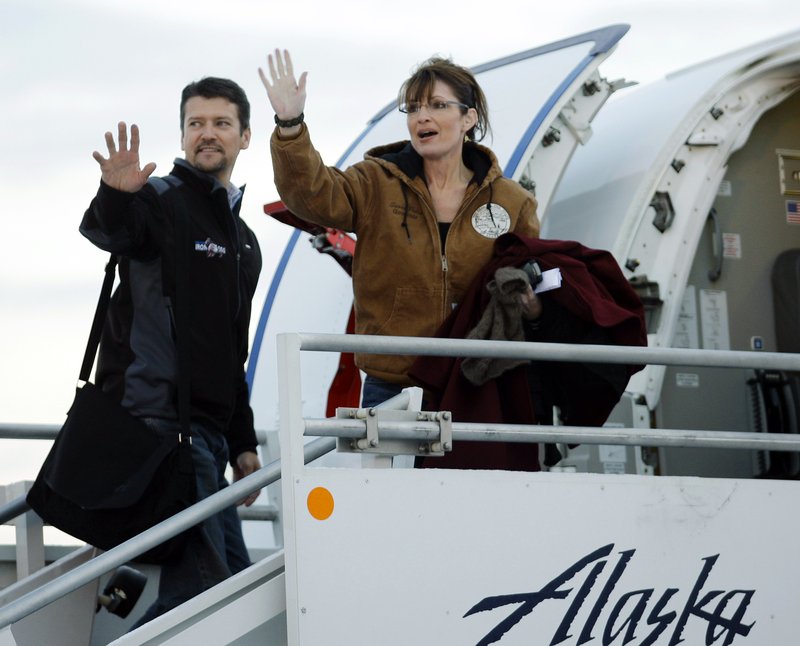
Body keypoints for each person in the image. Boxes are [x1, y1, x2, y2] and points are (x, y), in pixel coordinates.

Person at [261, 49, 542, 407]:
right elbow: (313, 196)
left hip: (478, 383)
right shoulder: (376, 181)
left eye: (438, 105)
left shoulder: (512, 201)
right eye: (413, 108)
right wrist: (290, 125)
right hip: (391, 386)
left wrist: (532, 307)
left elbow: (535, 284)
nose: (422, 116)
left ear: (468, 118)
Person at [80, 77, 263, 627]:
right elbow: (112, 230)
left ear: (245, 136)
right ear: (183, 134)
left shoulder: (244, 239)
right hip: (158, 427)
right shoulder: (158, 199)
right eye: (196, 124)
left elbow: (232, 352)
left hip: (206, 440)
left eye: (221, 123)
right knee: (208, 595)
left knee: (236, 582)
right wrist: (115, 193)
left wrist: (244, 443)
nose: (207, 134)